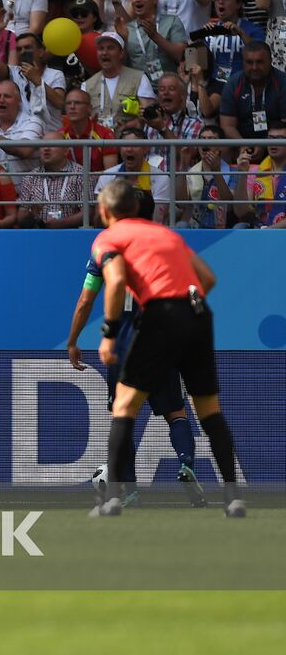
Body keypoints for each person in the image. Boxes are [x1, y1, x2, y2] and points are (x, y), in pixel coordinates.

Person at [89, 178, 245, 517]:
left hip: (157, 318)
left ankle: (115, 497)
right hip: (199, 317)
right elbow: (207, 279)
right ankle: (233, 498)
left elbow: (114, 282)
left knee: (125, 407)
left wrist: (108, 332)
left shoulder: (110, 237)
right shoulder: (169, 236)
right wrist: (187, 302)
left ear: (105, 211)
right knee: (209, 412)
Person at [68, 247, 204, 506]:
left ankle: (130, 492)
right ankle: (187, 463)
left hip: (121, 349)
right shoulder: (160, 249)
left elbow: (85, 301)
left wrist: (73, 340)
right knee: (176, 414)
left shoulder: (104, 253)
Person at [95, 125, 171, 223]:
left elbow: (157, 219)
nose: (129, 149)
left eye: (135, 145)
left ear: (146, 148)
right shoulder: (107, 177)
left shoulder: (161, 178)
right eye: (125, 145)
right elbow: (99, 217)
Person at [15, 132, 86, 228]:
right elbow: (21, 217)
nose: (46, 149)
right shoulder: (31, 178)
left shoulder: (80, 174)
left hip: (71, 235)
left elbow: (88, 212)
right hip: (39, 235)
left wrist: (62, 223)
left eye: (52, 145)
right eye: (43, 145)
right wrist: (32, 213)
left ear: (65, 150)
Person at [217, 41, 285, 138]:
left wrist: (263, 146)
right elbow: (227, 126)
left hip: (275, 141)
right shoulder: (233, 83)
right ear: (243, 63)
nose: (254, 67)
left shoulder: (282, 83)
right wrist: (244, 146)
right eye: (249, 62)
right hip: (241, 140)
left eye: (259, 62)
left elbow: (284, 126)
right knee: (223, 149)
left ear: (270, 61)